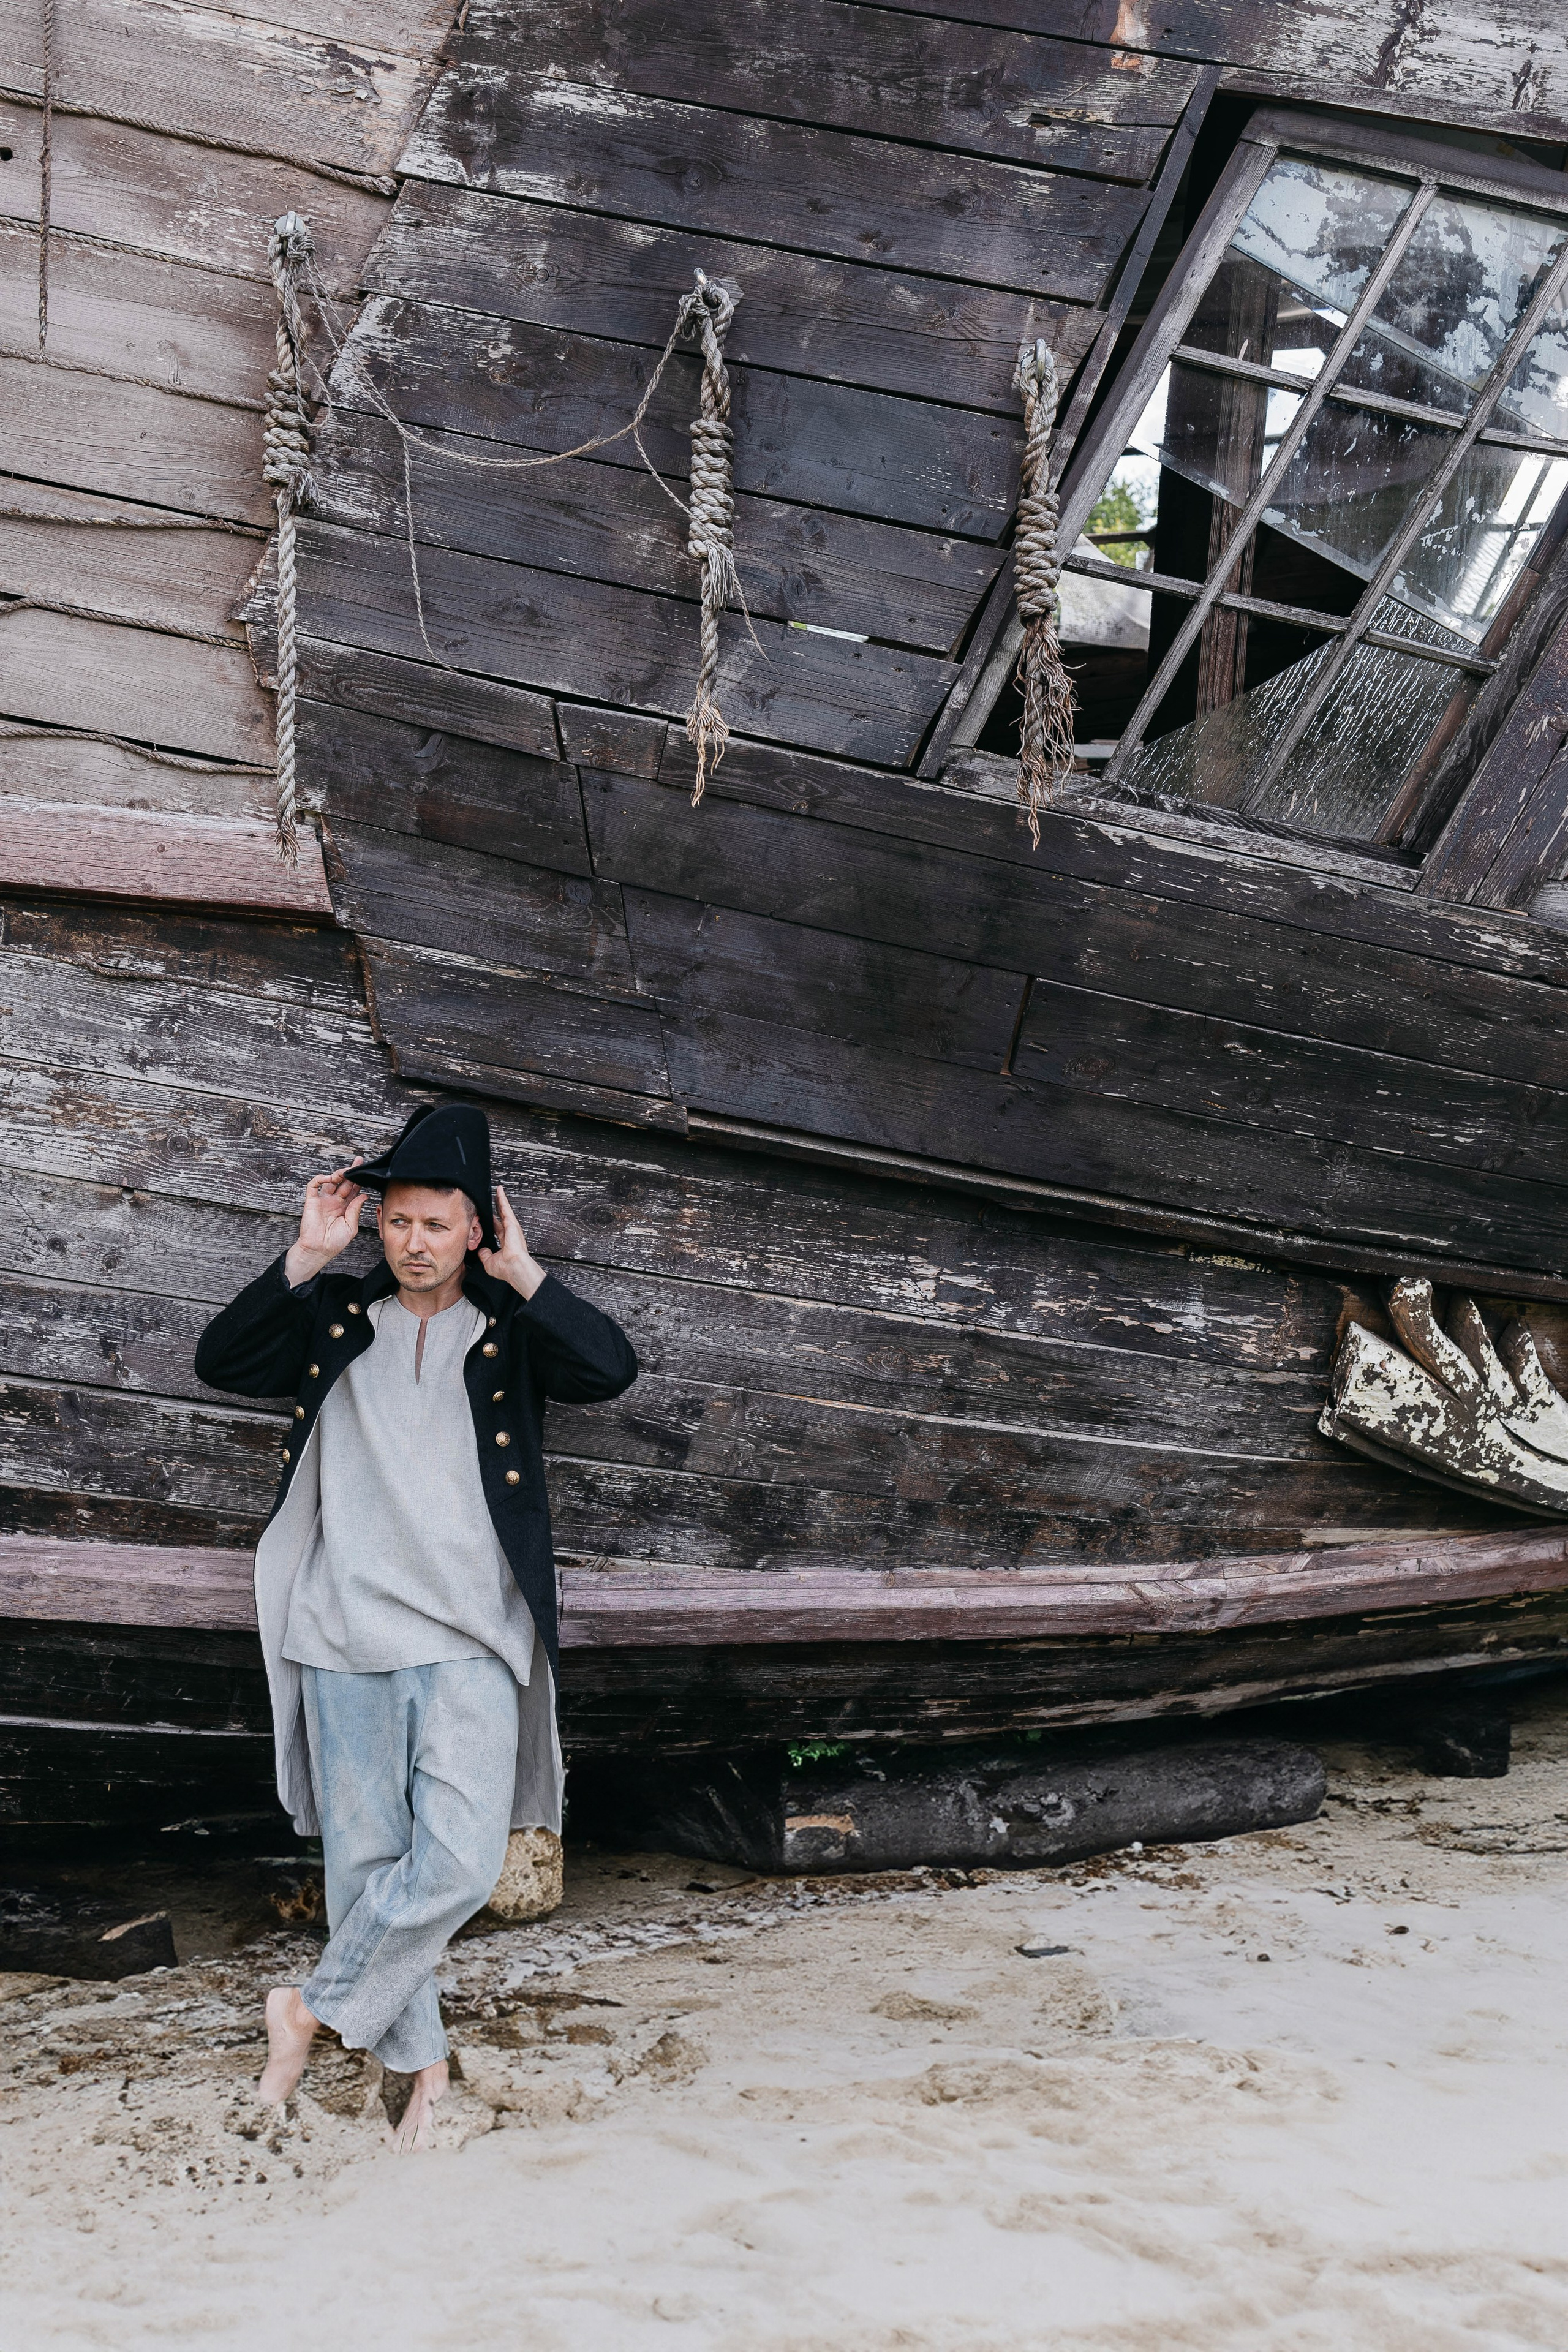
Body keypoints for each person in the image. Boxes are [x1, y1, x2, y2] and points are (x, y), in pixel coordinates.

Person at [194, 1103, 637, 2150]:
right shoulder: (335, 1321)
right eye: (397, 1221)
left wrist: (528, 1275)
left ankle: (304, 2012)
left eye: (438, 1224)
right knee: (365, 1872)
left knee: (458, 1866)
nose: (414, 1242)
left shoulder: (510, 1336)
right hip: (344, 1634)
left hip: (473, 1642)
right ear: (377, 1227)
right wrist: (305, 1257)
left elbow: (611, 1371)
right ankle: (423, 2074)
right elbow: (221, 1359)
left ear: (474, 1230)